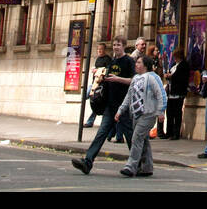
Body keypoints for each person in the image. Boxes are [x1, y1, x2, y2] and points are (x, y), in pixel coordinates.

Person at [71, 36, 135, 175]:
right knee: (101, 134)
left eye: (118, 45)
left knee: (129, 135)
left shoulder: (128, 61)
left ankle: (137, 163)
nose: (116, 47)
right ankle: (87, 162)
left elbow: (134, 81)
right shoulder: (112, 62)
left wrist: (118, 79)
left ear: (123, 46)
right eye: (114, 45)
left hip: (123, 105)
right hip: (110, 106)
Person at [114, 54, 167, 179]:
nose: (136, 65)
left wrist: (161, 111)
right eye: (136, 62)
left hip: (148, 114)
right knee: (143, 139)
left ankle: (131, 166)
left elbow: (161, 95)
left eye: (138, 62)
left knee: (136, 138)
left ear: (145, 65)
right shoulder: (136, 78)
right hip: (136, 114)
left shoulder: (153, 78)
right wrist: (120, 110)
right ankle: (147, 167)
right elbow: (129, 96)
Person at [165, 47, 190, 140]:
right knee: (169, 113)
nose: (175, 58)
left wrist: (171, 76)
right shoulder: (174, 65)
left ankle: (176, 133)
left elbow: (180, 78)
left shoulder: (184, 65)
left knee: (177, 113)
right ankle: (169, 132)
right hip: (171, 92)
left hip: (178, 92)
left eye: (176, 56)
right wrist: (168, 76)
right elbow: (170, 73)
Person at [85, 41, 111, 127]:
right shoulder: (98, 59)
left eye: (101, 49)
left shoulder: (107, 59)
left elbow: (106, 70)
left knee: (96, 102)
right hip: (94, 83)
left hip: (101, 85)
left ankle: (91, 121)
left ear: (104, 50)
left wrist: (98, 70)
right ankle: (90, 121)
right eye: (98, 49)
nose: (99, 51)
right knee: (92, 100)